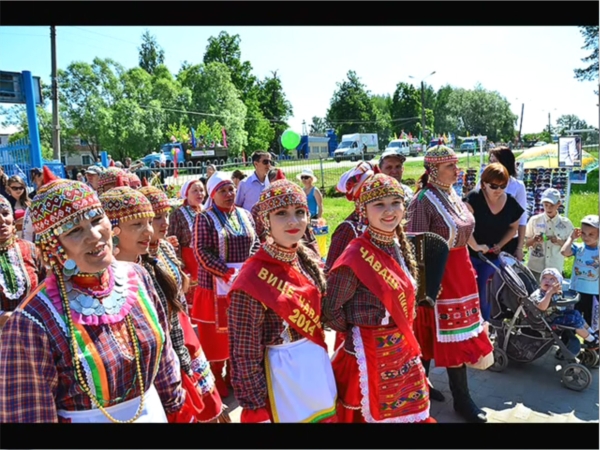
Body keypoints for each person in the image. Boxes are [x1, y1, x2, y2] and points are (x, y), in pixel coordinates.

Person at [0, 167, 194, 423]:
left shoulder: (138, 277)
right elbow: (28, 416)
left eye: (95, 219)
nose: (94, 236)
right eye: (74, 231)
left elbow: (166, 362)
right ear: (53, 245)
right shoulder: (31, 322)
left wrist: (176, 406)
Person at [324, 174, 434, 423]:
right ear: (364, 211)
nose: (389, 211)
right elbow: (331, 308)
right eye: (379, 205)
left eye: (396, 202)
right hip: (366, 351)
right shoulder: (355, 255)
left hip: (401, 348)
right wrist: (354, 328)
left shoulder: (397, 244)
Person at [228, 180, 337, 423]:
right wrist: (255, 407)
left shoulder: (305, 257)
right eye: (281, 214)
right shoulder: (251, 279)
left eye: (300, 212)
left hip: (315, 364)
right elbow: (244, 354)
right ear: (265, 220)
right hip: (281, 375)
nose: (293, 221)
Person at [406, 144, 493, 423]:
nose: (458, 170)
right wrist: (423, 288)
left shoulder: (452, 194)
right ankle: (435, 393)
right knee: (431, 331)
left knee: (457, 332)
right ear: (433, 170)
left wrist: (479, 250)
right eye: (450, 166)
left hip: (461, 272)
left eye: (456, 165)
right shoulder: (422, 201)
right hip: (438, 275)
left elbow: (464, 234)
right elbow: (414, 246)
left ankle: (454, 396)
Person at [139, 184, 230, 423]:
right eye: (155, 217)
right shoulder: (135, 262)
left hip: (182, 326)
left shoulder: (166, 247)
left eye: (166, 215)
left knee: (206, 397)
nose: (163, 222)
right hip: (164, 336)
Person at [190, 171, 260, 398]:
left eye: (231, 189)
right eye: (223, 190)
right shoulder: (205, 218)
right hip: (214, 285)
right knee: (217, 336)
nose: (229, 194)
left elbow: (256, 242)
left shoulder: (245, 215)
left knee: (240, 332)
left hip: (243, 283)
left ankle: (234, 373)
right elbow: (201, 251)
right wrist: (226, 271)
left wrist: (249, 268)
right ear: (213, 194)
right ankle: (216, 376)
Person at [464, 163, 524, 321]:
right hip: (470, 254)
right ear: (484, 183)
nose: (498, 190)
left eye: (503, 186)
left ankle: (486, 325)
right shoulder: (473, 198)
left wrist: (500, 244)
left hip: (493, 256)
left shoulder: (511, 202)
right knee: (469, 292)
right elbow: (464, 226)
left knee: (487, 294)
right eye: (494, 186)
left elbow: (513, 228)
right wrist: (475, 245)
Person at [0, 194, 45, 329]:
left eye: (5, 213)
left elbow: (46, 287)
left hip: (33, 330)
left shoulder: (30, 249)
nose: (2, 220)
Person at [530, 268, 598, 347]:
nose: (547, 281)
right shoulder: (538, 294)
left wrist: (556, 293)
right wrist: (549, 293)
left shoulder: (552, 291)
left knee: (576, 313)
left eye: (552, 279)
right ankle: (592, 340)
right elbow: (542, 307)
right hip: (545, 319)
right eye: (544, 278)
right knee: (573, 320)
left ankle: (591, 331)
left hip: (554, 315)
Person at [168, 179, 206, 307]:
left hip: (206, 261)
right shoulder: (178, 214)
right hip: (188, 261)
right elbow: (173, 242)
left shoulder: (207, 211)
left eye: (201, 190)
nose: (199, 193)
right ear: (186, 194)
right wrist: (180, 266)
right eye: (194, 191)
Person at [486, 147, 528, 261]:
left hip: (509, 242)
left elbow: (522, 219)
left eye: (495, 161)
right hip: (485, 240)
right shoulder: (483, 183)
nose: (491, 164)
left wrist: (519, 248)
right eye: (490, 161)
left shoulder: (518, 186)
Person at [525, 188, 574, 282]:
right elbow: (525, 244)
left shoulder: (566, 224)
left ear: (559, 203)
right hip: (535, 267)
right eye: (546, 205)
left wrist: (559, 241)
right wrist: (534, 239)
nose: (548, 208)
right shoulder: (535, 220)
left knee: (553, 294)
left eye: (552, 205)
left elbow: (571, 249)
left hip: (555, 269)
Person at [561, 215, 599, 331]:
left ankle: (592, 346)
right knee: (571, 321)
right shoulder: (578, 247)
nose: (586, 237)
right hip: (575, 291)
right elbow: (564, 252)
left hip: (594, 293)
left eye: (591, 234)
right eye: (583, 233)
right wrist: (571, 238)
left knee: (593, 323)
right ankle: (569, 345)